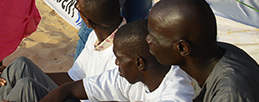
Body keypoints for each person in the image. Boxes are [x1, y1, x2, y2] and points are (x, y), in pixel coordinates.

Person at [0, 0, 122, 102]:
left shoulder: (121, 55)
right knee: (19, 66)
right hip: (74, 93)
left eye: (78, 7)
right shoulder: (98, 35)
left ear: (88, 22)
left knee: (26, 87)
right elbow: (73, 77)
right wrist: (13, 74)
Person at [147, 0, 259, 101]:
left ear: (183, 48)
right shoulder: (209, 57)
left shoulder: (230, 92)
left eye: (153, 38)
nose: (147, 40)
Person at [41, 20, 194, 102]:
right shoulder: (127, 78)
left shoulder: (177, 92)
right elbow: (69, 89)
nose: (116, 63)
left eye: (119, 59)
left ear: (139, 63)